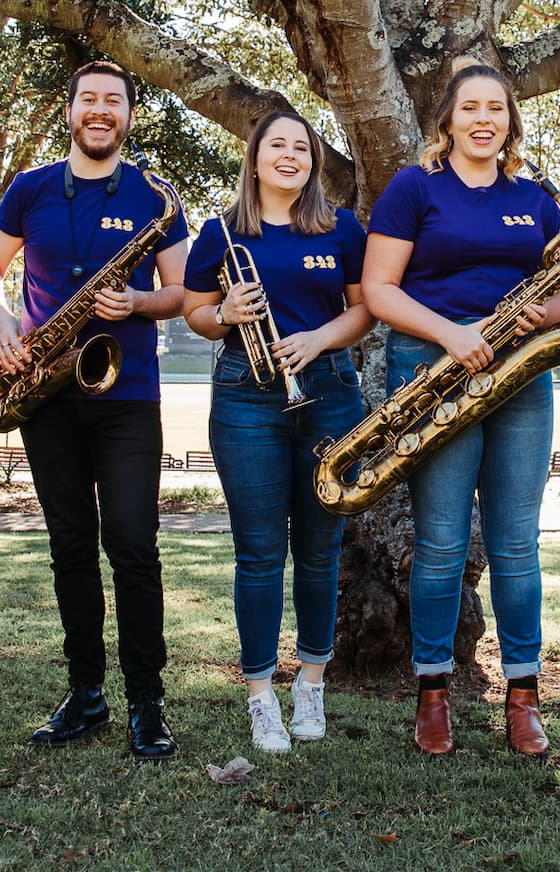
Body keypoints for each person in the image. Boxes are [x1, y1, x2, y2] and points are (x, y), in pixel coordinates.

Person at [361, 62, 560, 759]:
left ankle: (523, 696)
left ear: (510, 122)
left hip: (519, 380)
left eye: (497, 108)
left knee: (517, 545)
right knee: (442, 546)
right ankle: (434, 693)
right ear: (448, 121)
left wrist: (543, 312)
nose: (484, 118)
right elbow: (378, 290)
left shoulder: (536, 198)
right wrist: (452, 333)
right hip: (436, 372)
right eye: (471, 108)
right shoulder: (413, 187)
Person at [0, 60, 191, 760]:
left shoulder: (156, 198)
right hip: (47, 391)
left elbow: (183, 293)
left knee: (131, 542)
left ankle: (148, 703)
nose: (101, 111)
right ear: (70, 110)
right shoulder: (31, 188)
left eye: (114, 102)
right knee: (70, 544)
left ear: (129, 114)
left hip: (126, 395)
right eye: (89, 100)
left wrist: (138, 302)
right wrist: (3, 326)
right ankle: (86, 695)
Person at [180, 109, 374, 754]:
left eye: (302, 146)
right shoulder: (219, 233)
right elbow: (193, 314)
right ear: (255, 159)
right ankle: (261, 694)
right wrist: (223, 312)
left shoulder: (342, 228)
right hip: (245, 395)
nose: (290, 155)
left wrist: (316, 340)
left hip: (327, 393)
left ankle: (311, 684)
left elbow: (365, 309)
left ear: (314, 161)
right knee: (259, 554)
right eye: (276, 145)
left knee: (322, 551)